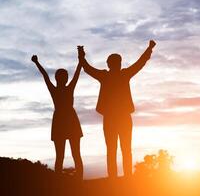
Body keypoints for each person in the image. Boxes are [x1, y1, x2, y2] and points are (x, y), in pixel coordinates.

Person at [79, 40, 156, 178]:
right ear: (114, 64)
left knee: (116, 150)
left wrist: (81, 56)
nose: (115, 65)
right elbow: (140, 63)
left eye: (115, 62)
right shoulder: (119, 74)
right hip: (117, 117)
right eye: (115, 62)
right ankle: (121, 178)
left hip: (116, 117)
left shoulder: (112, 75)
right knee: (120, 149)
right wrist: (149, 48)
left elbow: (87, 68)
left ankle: (119, 178)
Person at [31, 46, 84, 178]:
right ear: (62, 78)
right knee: (69, 155)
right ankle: (68, 182)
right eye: (63, 76)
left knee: (67, 155)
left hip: (66, 121)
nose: (64, 78)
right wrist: (81, 57)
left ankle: (69, 182)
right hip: (65, 121)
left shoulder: (59, 89)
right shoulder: (64, 88)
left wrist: (37, 62)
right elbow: (77, 72)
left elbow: (45, 76)